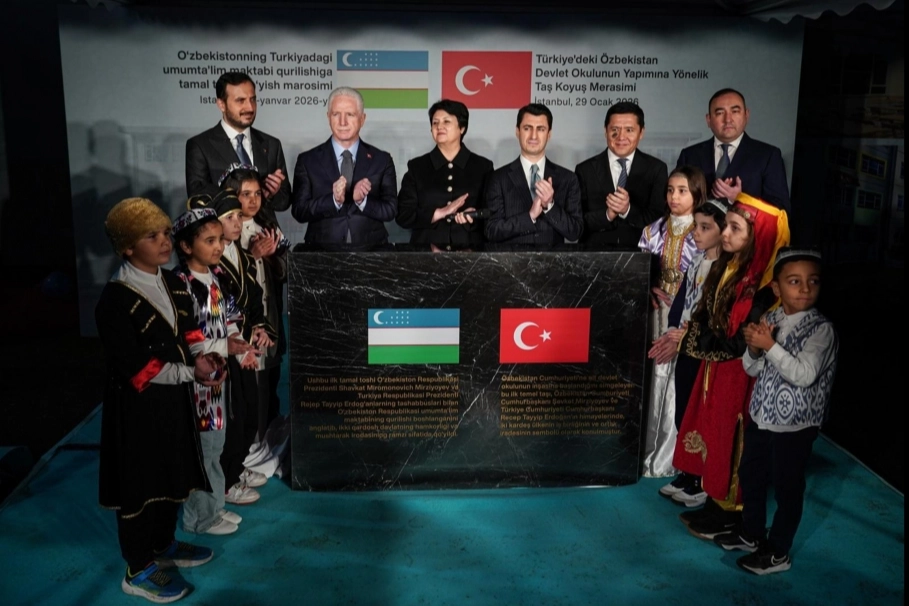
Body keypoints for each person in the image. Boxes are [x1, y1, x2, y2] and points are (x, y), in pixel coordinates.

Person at [96, 197, 222, 603]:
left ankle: (163, 544)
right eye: (152, 236)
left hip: (174, 402)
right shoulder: (115, 301)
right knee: (140, 484)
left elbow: (190, 331)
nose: (165, 241)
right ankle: (137, 568)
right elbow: (139, 369)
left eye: (166, 232)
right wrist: (191, 373)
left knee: (173, 471)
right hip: (137, 410)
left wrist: (203, 356)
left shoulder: (172, 282)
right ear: (127, 247)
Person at [670, 194, 789, 540]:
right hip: (717, 369)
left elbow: (741, 341)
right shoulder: (730, 267)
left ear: (757, 237)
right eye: (728, 226)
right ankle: (715, 498)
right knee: (714, 432)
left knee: (733, 439)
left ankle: (732, 510)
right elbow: (707, 311)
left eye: (736, 228)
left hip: (740, 375)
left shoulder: (763, 290)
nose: (725, 233)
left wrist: (698, 341)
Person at [714, 248, 838, 576]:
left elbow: (804, 375)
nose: (805, 288)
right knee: (751, 475)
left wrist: (769, 346)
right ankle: (752, 532)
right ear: (776, 287)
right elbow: (752, 369)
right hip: (762, 416)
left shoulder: (821, 329)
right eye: (794, 281)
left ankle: (778, 551)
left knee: (787, 486)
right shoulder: (771, 319)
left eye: (813, 281)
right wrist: (755, 350)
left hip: (796, 425)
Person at [172, 208, 260, 535]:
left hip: (218, 380)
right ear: (185, 246)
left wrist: (239, 344)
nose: (218, 246)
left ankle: (215, 507)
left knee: (216, 445)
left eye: (219, 239)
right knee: (203, 449)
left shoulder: (217, 275)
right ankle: (199, 519)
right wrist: (225, 346)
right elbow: (188, 336)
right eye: (209, 241)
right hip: (197, 383)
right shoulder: (181, 284)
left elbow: (232, 316)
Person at [187, 191, 276, 516]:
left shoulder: (225, 266)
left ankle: (230, 475)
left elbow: (238, 309)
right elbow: (195, 332)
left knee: (243, 417)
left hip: (236, 353)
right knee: (216, 433)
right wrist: (233, 347)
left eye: (239, 216)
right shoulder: (189, 279)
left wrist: (252, 334)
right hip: (210, 368)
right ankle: (215, 497)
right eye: (230, 217)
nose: (238, 223)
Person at [652, 197, 731, 499]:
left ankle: (702, 478)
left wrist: (685, 335)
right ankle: (686, 471)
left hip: (705, 352)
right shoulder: (697, 260)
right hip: (686, 348)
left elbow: (715, 317)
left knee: (702, 413)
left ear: (723, 231)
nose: (696, 233)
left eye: (705, 227)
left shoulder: (725, 269)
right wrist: (672, 334)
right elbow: (681, 303)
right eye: (695, 226)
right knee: (684, 411)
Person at [637, 166, 705, 478]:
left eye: (682, 191)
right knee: (653, 378)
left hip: (688, 317)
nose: (674, 197)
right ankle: (645, 449)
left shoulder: (703, 233)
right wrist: (647, 285)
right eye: (670, 190)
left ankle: (671, 455)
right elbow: (639, 269)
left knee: (677, 382)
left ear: (697, 194)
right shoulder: (653, 231)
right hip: (655, 315)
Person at [221, 166, 289, 449]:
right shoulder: (224, 232)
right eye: (245, 194)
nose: (252, 200)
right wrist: (253, 255)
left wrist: (272, 256)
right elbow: (227, 280)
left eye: (258, 194)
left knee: (269, 381)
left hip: (269, 313)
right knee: (247, 390)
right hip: (240, 323)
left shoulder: (268, 226)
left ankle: (268, 444)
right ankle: (248, 448)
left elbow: (285, 271)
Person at [291, 86, 398, 245]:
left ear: (362, 118)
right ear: (328, 117)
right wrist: (333, 200)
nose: (342, 122)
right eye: (336, 114)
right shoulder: (307, 160)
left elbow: (391, 210)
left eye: (350, 114)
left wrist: (363, 202)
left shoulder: (382, 160)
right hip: (321, 252)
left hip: (371, 252)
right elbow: (299, 211)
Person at [185, 72, 291, 227]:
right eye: (240, 101)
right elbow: (198, 201)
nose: (250, 107)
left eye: (253, 99)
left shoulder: (271, 144)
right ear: (221, 104)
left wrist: (271, 194)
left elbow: (285, 201)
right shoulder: (200, 145)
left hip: (267, 237)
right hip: (224, 238)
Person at [396, 99, 494, 247]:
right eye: (435, 123)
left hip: (470, 253)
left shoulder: (482, 167)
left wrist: (474, 216)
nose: (439, 126)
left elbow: (493, 214)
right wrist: (438, 213)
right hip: (425, 253)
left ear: (462, 128)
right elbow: (403, 214)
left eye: (446, 122)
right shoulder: (417, 167)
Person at [677, 88, 790, 212]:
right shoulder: (689, 155)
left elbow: (781, 211)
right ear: (708, 120)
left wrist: (741, 200)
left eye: (735, 111)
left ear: (746, 115)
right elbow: (676, 202)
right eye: (720, 113)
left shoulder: (768, 156)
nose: (728, 119)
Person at [484, 103, 582, 244]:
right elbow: (491, 230)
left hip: (553, 258)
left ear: (549, 134)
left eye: (540, 129)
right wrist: (529, 217)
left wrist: (550, 206)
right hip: (512, 258)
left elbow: (575, 232)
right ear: (517, 131)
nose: (533, 136)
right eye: (527, 128)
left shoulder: (568, 178)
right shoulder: (498, 178)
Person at [576, 102, 668, 249]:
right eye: (615, 130)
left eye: (629, 130)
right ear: (605, 131)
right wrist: (607, 214)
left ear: (641, 132)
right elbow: (577, 222)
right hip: (594, 255)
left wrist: (627, 210)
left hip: (641, 254)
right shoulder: (585, 170)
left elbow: (659, 219)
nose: (621, 137)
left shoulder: (657, 169)